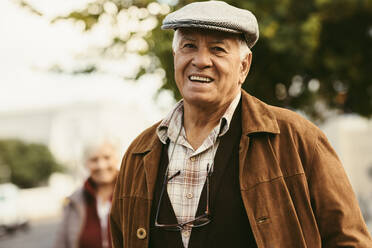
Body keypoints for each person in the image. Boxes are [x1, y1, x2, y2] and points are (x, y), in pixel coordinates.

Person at [110, 1, 372, 247]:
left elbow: (349, 240)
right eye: (189, 46)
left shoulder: (298, 138)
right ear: (175, 57)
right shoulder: (139, 153)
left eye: (217, 49)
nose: (201, 60)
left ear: (244, 66)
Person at [54, 138, 120, 248]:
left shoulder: (132, 194)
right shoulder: (74, 201)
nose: (101, 165)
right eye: (94, 160)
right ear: (86, 164)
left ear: (117, 159)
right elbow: (60, 243)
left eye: (107, 158)